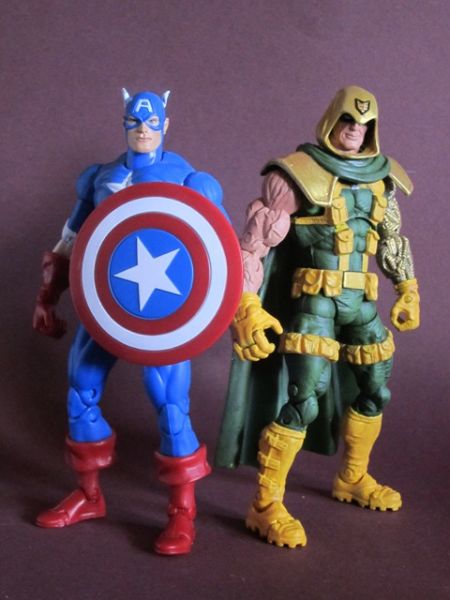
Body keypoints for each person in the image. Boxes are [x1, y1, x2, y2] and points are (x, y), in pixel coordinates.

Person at [216, 85, 420, 548]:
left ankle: (353, 477)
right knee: (305, 399)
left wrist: (407, 288)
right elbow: (252, 247)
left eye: (364, 123)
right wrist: (245, 305)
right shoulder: (295, 174)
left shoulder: (382, 178)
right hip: (315, 305)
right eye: (348, 119)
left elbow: (392, 241)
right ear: (332, 119)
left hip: (361, 303)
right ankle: (265, 504)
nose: (355, 130)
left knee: (376, 389)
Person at [33, 88, 227, 555]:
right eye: (135, 122)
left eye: (152, 122)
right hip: (106, 309)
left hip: (166, 319)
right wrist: (47, 297)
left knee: (171, 407)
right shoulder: (101, 177)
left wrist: (240, 310)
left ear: (166, 123)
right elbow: (70, 241)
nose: (143, 130)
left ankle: (182, 511)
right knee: (80, 390)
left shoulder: (189, 180)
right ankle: (88, 495)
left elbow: (220, 253)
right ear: (123, 123)